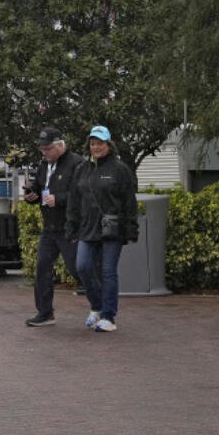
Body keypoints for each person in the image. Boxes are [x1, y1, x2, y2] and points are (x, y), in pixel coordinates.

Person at [64, 125, 139, 333]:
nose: (95, 147)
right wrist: (71, 226)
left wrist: (132, 230)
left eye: (100, 143)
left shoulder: (119, 169)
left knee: (108, 272)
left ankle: (108, 316)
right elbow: (74, 201)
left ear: (109, 144)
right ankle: (96, 306)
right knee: (82, 267)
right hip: (87, 229)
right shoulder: (82, 169)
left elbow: (129, 202)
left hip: (112, 230)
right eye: (92, 143)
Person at [22, 126, 85, 327]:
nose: (44, 153)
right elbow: (39, 187)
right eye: (42, 149)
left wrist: (59, 199)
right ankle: (45, 312)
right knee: (42, 268)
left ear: (59, 145)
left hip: (69, 227)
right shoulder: (44, 164)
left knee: (77, 269)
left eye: (48, 148)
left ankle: (101, 307)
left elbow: (82, 194)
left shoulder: (77, 163)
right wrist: (31, 194)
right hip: (49, 227)